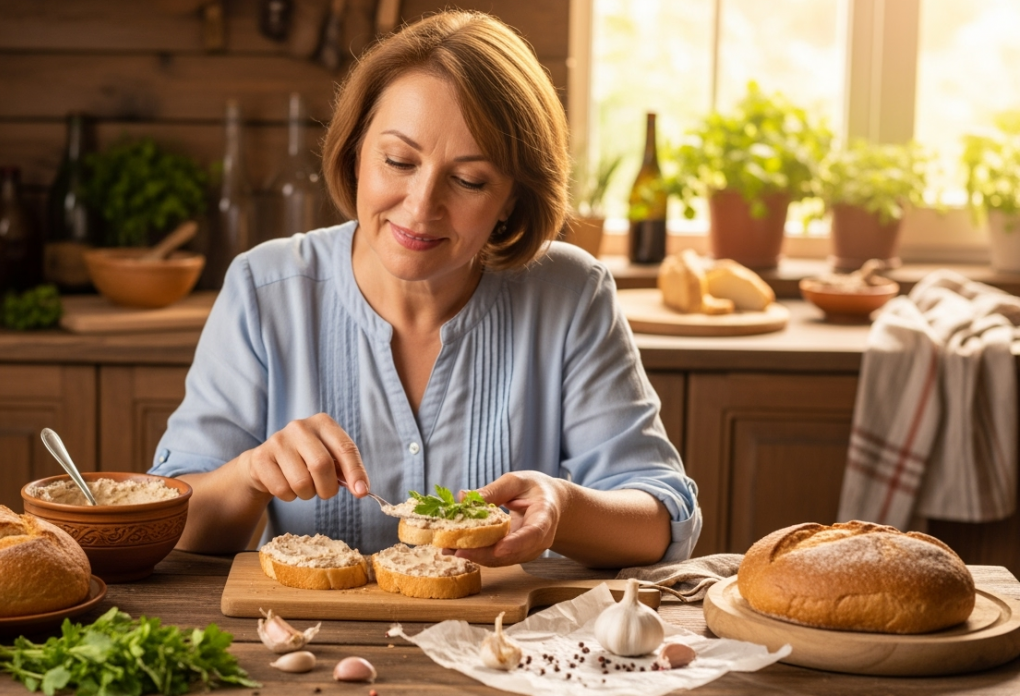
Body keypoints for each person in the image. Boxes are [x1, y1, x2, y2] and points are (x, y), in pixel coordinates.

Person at [151, 10, 701, 568]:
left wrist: (562, 508)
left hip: (513, 628)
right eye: (398, 161)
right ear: (356, 152)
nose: (420, 208)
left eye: (469, 180)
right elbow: (170, 522)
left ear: (511, 198)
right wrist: (250, 474)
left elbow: (660, 519)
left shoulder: (572, 293)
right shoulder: (264, 288)